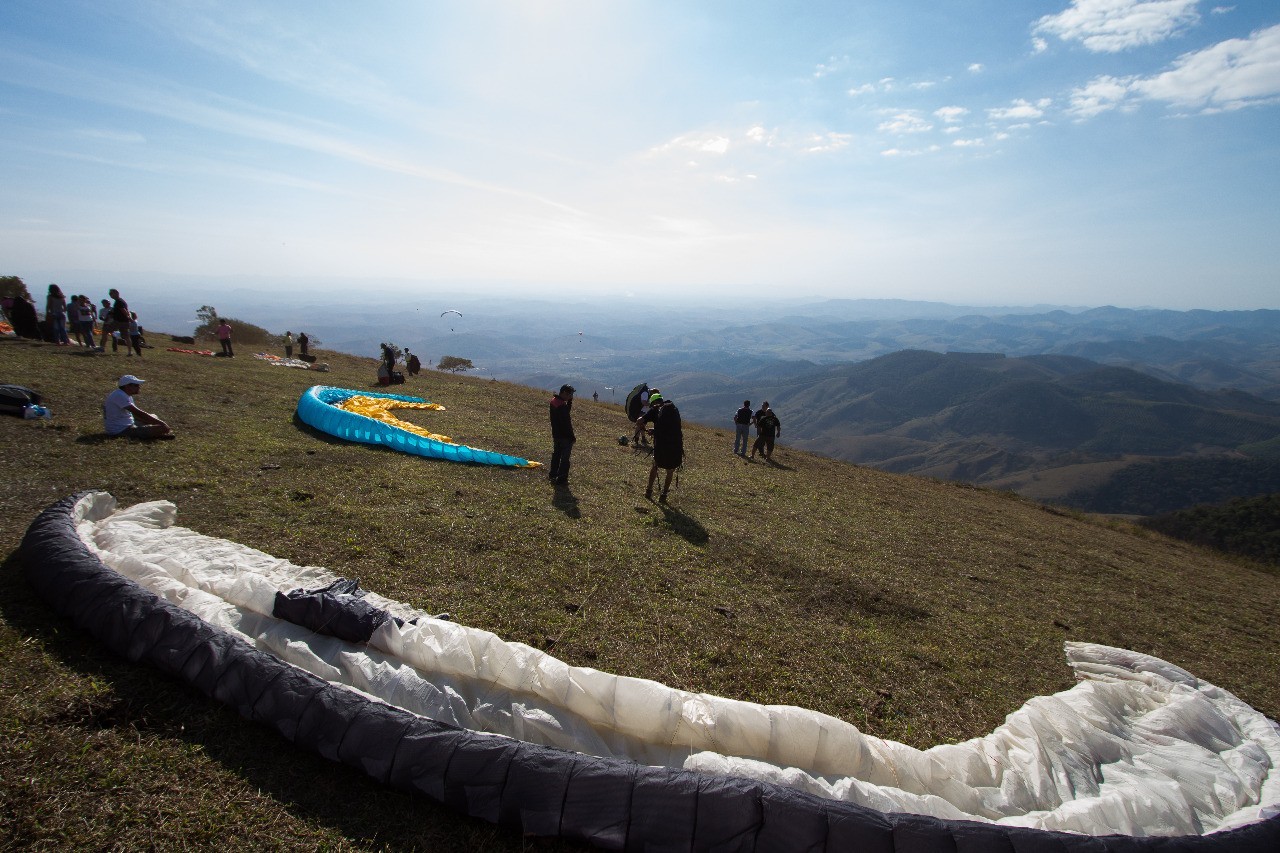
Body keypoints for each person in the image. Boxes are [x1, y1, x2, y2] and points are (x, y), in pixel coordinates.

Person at [103, 374, 173, 439]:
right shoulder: (120, 395)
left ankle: (154, 433)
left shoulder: (125, 395)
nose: (139, 387)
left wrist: (153, 422)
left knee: (154, 416)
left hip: (127, 424)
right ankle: (155, 435)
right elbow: (138, 413)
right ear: (127, 386)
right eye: (136, 385)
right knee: (161, 427)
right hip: (120, 430)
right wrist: (161, 423)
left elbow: (135, 415)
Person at [645, 396, 684, 502]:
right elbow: (668, 429)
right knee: (670, 471)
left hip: (662, 446)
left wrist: (653, 430)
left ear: (655, 403)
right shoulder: (674, 411)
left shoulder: (661, 412)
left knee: (655, 465)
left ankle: (649, 490)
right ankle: (664, 494)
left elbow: (661, 430)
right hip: (675, 447)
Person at [548, 384, 576, 486]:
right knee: (565, 459)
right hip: (565, 437)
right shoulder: (562, 406)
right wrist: (572, 437)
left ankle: (553, 474)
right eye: (570, 394)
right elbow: (567, 423)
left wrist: (569, 402)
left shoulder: (554, 402)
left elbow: (565, 413)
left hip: (556, 434)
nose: (571, 396)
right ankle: (562, 479)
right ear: (564, 393)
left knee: (556, 455)